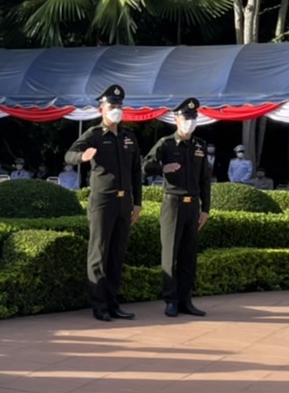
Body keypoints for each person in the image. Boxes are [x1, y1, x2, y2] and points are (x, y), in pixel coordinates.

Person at [64, 84, 142, 323]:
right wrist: (83, 156)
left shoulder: (129, 136)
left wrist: (137, 203)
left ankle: (113, 303)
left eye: (119, 105)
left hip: (124, 201)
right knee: (99, 253)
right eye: (112, 106)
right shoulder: (94, 134)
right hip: (103, 201)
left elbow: (136, 171)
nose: (116, 109)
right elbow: (69, 155)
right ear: (102, 109)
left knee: (117, 254)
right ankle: (100, 306)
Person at [144, 98, 211, 318]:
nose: (190, 122)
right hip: (173, 203)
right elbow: (145, 166)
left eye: (193, 118)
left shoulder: (200, 146)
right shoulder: (166, 144)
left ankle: (185, 300)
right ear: (176, 119)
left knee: (189, 256)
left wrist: (205, 208)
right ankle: (171, 300)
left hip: (193, 205)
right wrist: (163, 168)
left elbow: (205, 180)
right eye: (186, 118)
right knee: (170, 255)